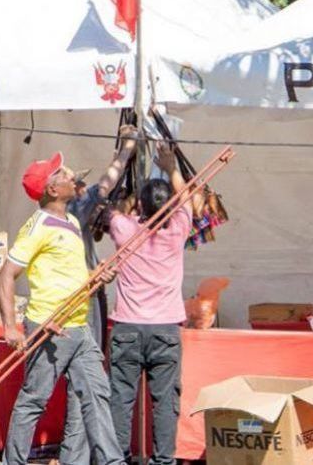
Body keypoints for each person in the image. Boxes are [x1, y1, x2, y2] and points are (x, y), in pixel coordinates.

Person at [0, 152, 125, 465]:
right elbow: (6, 276)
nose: (72, 178)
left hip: (80, 328)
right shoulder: (37, 226)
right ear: (52, 189)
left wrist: (97, 277)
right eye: (63, 175)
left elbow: (69, 273)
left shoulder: (68, 220)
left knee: (97, 394)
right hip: (49, 328)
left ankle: (112, 462)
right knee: (33, 401)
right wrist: (11, 327)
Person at [106, 143, 200, 465]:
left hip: (128, 328)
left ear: (141, 207)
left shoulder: (123, 228)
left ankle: (116, 459)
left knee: (120, 399)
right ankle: (164, 461)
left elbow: (111, 205)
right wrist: (172, 166)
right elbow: (186, 199)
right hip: (164, 330)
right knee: (165, 403)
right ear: (170, 208)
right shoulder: (177, 231)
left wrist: (125, 156)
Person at [61, 125, 137, 465]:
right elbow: (107, 182)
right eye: (72, 181)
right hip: (83, 304)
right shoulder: (73, 212)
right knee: (87, 384)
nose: (80, 186)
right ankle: (82, 457)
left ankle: (86, 456)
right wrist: (126, 149)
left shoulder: (54, 217)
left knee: (83, 383)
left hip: (79, 300)